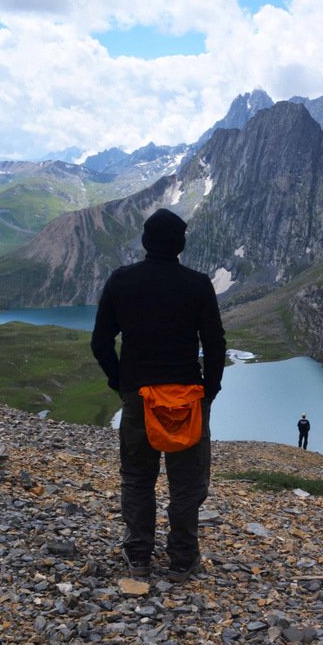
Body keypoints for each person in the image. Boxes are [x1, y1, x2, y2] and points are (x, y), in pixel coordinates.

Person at [91, 208, 226, 582]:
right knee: (187, 482)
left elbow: (101, 341)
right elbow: (215, 344)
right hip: (186, 398)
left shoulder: (122, 281)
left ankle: (139, 558)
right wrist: (208, 392)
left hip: (139, 396)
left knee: (137, 477)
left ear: (146, 241)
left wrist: (122, 384)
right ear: (180, 244)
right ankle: (183, 560)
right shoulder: (198, 285)